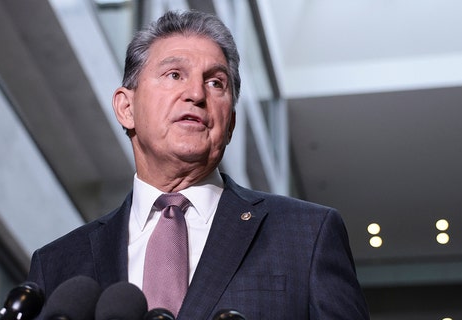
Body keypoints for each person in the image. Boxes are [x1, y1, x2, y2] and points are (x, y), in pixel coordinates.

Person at [27, 10, 369, 319]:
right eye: (175, 74)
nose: (196, 94)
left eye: (215, 82)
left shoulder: (307, 234)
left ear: (230, 123)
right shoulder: (57, 264)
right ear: (126, 108)